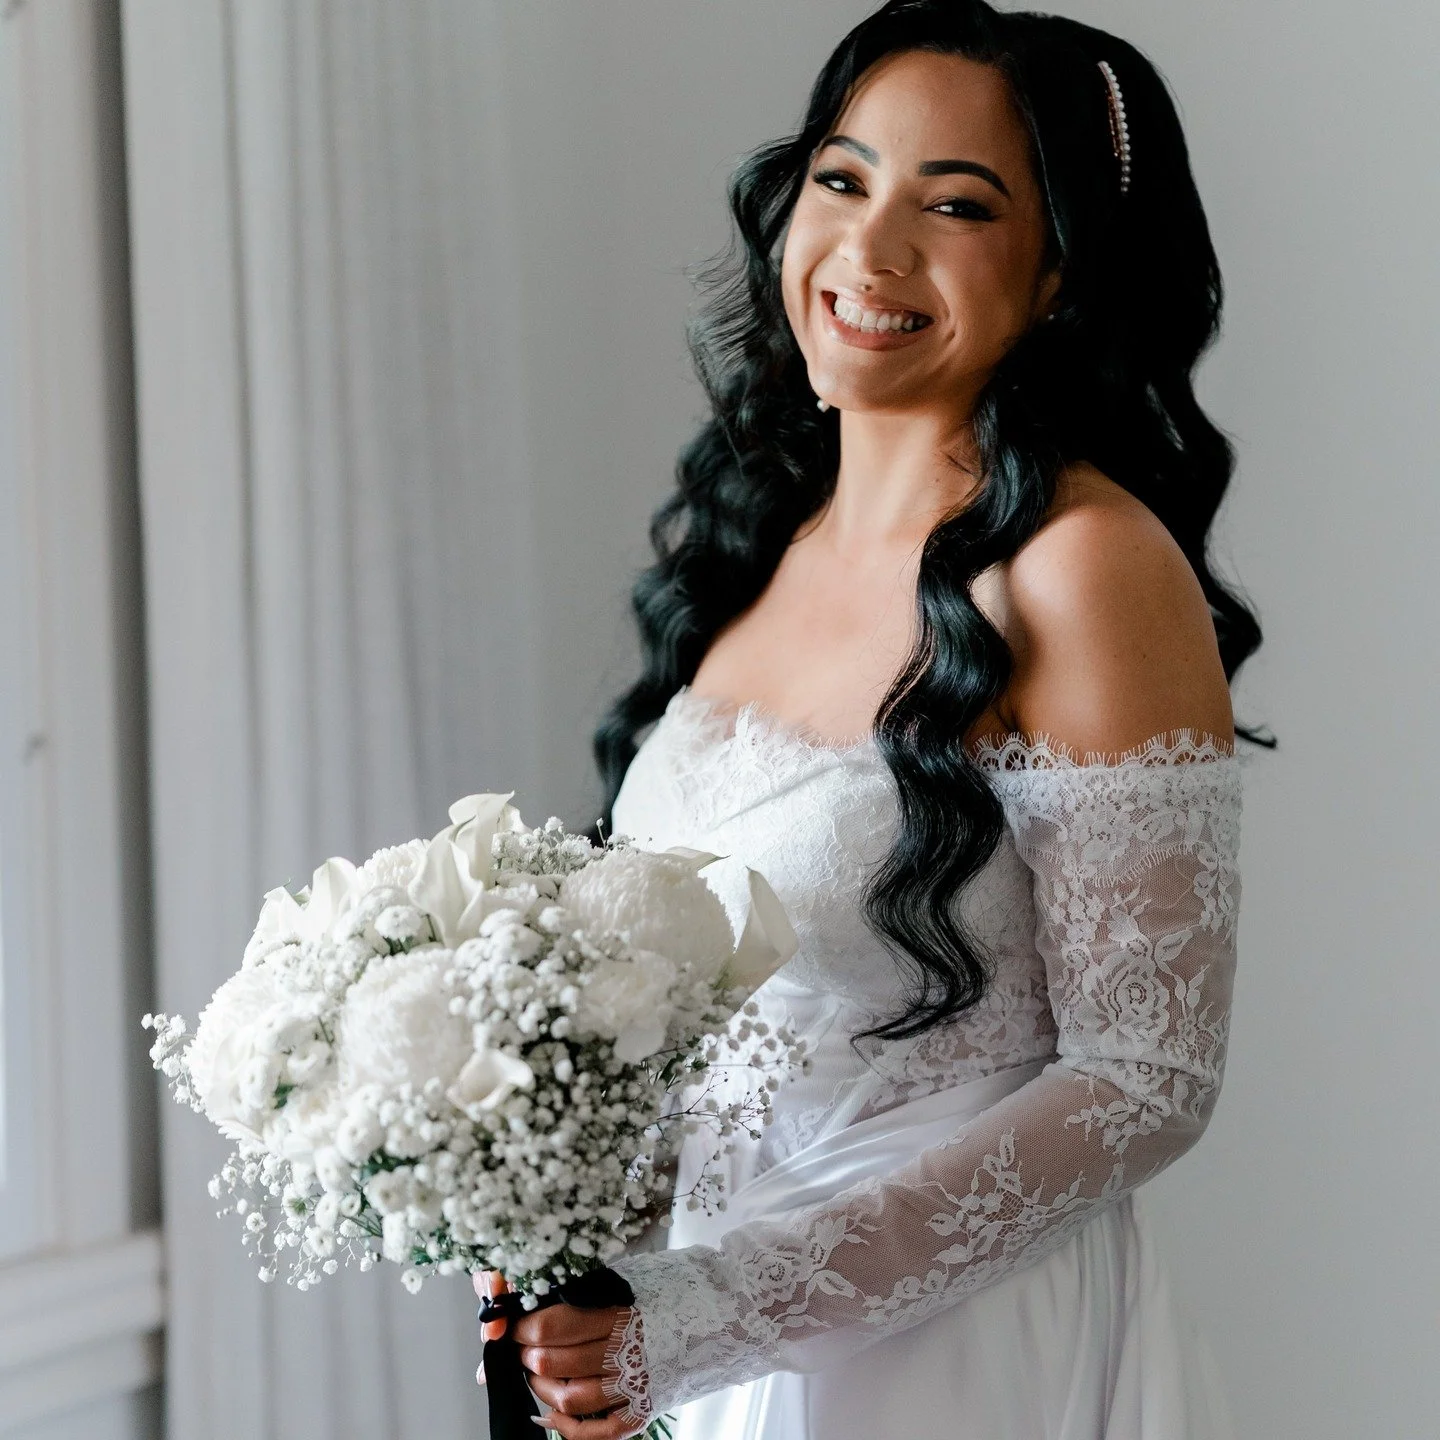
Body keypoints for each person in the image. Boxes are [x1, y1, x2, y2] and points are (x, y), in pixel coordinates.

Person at [476, 1, 1265, 1434]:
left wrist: (722, 1313)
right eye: (844, 180)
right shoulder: (760, 542)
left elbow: (1145, 1079)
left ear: (1060, 277)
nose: (872, 248)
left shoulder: (1083, 566)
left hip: (956, 1363)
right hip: (701, 1351)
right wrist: (565, 1242)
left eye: (956, 206)